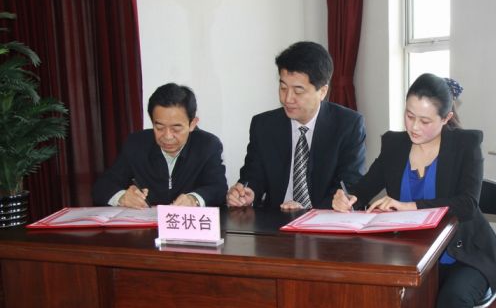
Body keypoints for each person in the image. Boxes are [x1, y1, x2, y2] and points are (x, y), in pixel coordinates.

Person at [332, 73, 496, 308]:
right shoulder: (395, 145)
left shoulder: (465, 145)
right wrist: (348, 198)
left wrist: (409, 206)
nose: (414, 126)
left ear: (446, 118)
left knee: (451, 304)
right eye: (409, 115)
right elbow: (364, 187)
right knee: (380, 296)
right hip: (417, 256)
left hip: (463, 254)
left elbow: (467, 204)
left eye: (425, 121)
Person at [227, 41, 366, 210]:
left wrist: (307, 212)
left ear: (322, 91)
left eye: (298, 91)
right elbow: (252, 175)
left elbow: (349, 186)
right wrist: (248, 193)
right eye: (283, 88)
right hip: (276, 220)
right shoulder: (264, 125)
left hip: (323, 219)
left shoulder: (348, 125)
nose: (287, 99)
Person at [93, 83, 228, 208]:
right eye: (160, 127)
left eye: (176, 128)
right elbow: (103, 186)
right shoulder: (136, 144)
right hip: (147, 223)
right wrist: (122, 197)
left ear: (192, 124)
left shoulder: (208, 146)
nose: (167, 136)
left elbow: (218, 188)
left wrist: (194, 199)